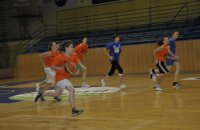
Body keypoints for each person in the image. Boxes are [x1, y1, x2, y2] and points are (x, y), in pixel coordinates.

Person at [35, 40, 84, 117]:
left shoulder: (73, 55)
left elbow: (77, 63)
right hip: (60, 78)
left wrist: (77, 69)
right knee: (72, 89)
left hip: (65, 78)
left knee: (57, 93)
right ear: (66, 48)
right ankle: (73, 109)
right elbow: (53, 66)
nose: (73, 48)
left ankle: (42, 93)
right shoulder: (59, 57)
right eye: (71, 47)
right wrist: (62, 68)